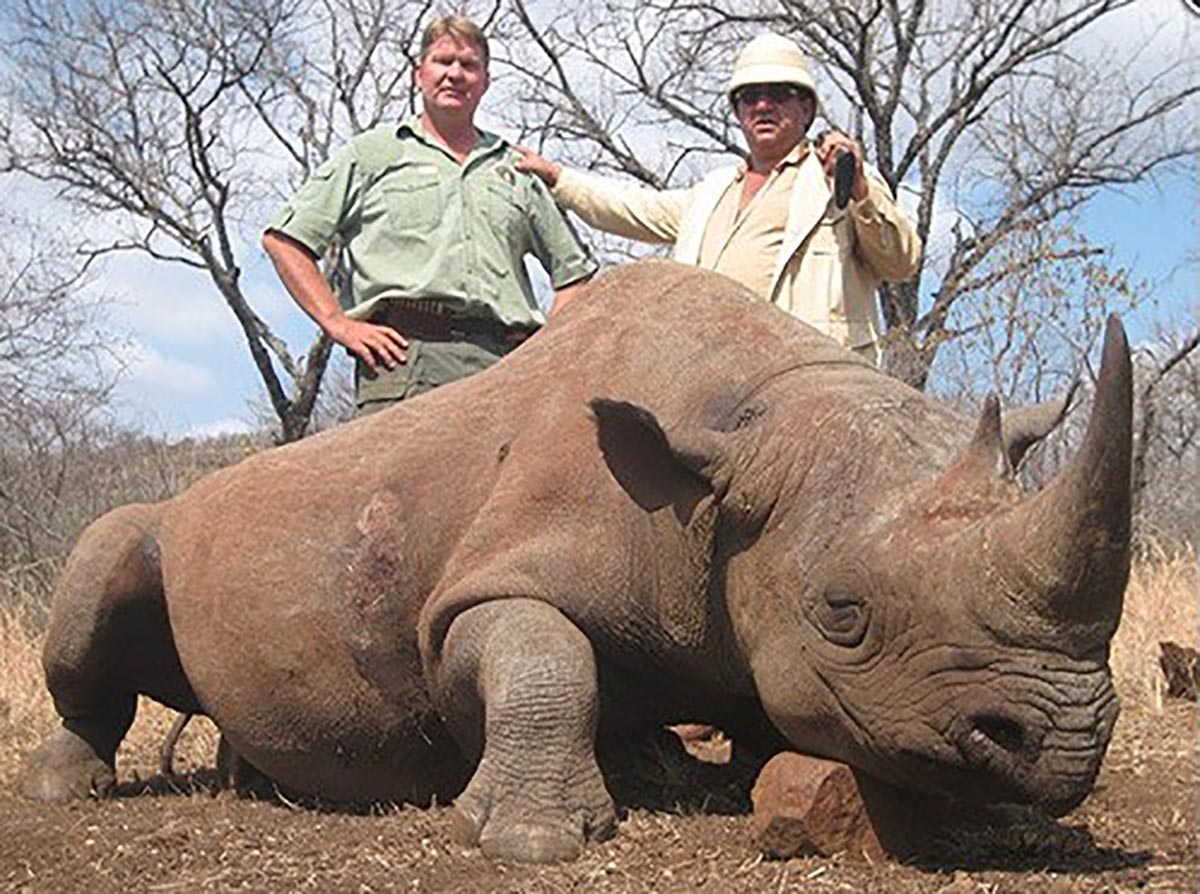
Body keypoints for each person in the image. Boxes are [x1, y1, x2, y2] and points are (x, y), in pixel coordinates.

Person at [516, 33, 921, 364]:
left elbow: (900, 261)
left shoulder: (840, 177)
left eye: (778, 93)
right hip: (715, 380)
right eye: (750, 96)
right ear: (738, 110)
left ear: (806, 108)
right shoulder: (711, 192)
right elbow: (632, 208)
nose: (763, 105)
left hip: (814, 385)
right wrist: (559, 179)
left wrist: (861, 191)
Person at [263, 15, 597, 413]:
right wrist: (338, 323)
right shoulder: (373, 153)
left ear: (485, 82)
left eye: (469, 65)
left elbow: (574, 275)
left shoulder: (516, 168)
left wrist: (543, 349)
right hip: (405, 362)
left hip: (508, 369)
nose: (455, 74)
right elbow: (284, 241)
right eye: (443, 61)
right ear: (418, 73)